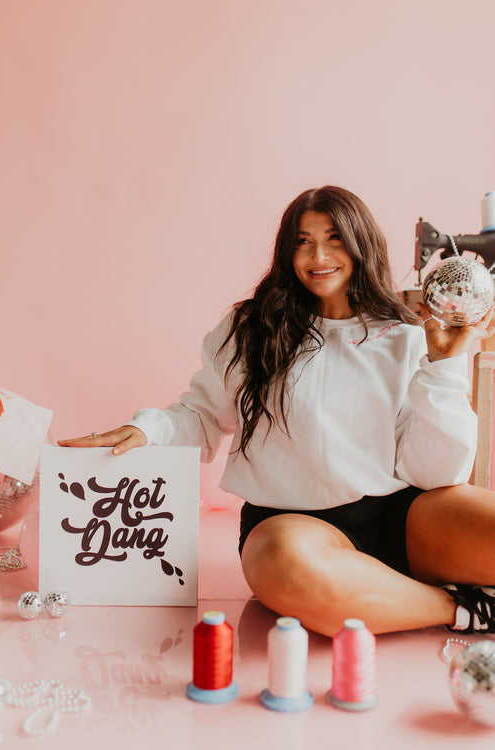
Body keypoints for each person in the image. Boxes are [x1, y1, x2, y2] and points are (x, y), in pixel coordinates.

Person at [59, 185, 495, 637]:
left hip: (401, 516)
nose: (317, 255)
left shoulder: (407, 336)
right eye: (302, 241)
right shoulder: (252, 328)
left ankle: (387, 596)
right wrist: (144, 431)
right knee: (297, 576)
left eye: (334, 238)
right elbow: (203, 414)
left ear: (361, 243)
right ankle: (461, 607)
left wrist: (445, 365)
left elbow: (439, 474)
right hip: (292, 527)